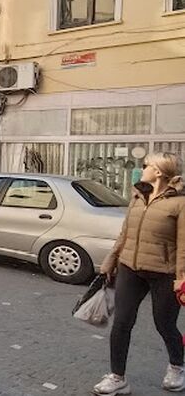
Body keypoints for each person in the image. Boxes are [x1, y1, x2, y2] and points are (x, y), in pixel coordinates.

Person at [94, 152, 185, 396]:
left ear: (158, 172)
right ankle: (117, 377)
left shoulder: (180, 203)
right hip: (129, 268)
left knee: (164, 323)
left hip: (163, 273)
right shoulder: (137, 195)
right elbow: (126, 233)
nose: (141, 168)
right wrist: (111, 259)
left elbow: (184, 244)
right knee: (121, 322)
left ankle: (177, 366)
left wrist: (181, 278)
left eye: (146, 165)